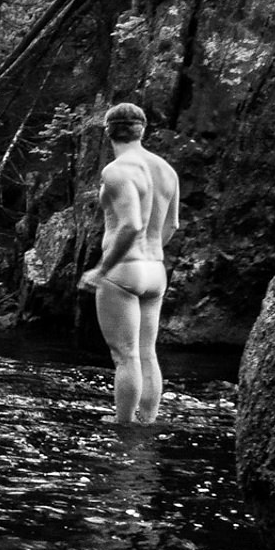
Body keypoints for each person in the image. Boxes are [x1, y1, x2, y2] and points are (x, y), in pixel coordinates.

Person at [79, 101, 181, 425]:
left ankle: (122, 425)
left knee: (126, 356)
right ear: (143, 129)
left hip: (123, 272)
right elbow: (173, 225)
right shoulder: (166, 170)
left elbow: (131, 224)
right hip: (155, 270)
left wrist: (102, 270)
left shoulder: (117, 170)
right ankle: (147, 421)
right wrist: (150, 254)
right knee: (148, 353)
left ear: (108, 132)